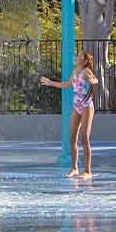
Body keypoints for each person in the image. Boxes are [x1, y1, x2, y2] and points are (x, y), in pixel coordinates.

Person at [41, 50, 99, 179]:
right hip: (77, 106)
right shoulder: (75, 71)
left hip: (86, 107)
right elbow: (67, 85)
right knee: (72, 138)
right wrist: (50, 82)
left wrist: (93, 83)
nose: (77, 58)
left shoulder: (86, 71)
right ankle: (74, 168)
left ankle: (88, 171)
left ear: (84, 61)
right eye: (77, 56)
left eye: (80, 57)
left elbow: (95, 81)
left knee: (84, 138)